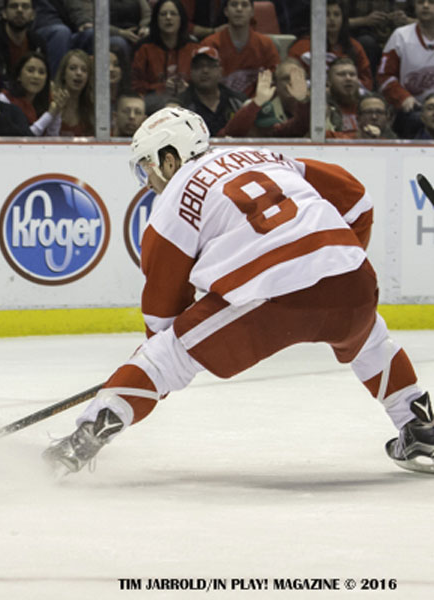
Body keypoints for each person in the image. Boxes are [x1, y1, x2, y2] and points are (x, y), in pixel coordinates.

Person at [42, 106, 434, 477]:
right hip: (351, 279)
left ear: (169, 158)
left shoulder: (173, 200)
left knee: (165, 356)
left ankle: (81, 441)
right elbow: (357, 198)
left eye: (147, 166)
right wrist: (332, 265)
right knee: (371, 340)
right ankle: (420, 428)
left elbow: (162, 311)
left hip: (267, 297)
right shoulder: (264, 156)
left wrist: (152, 368)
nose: (148, 181)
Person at [288, 0, 374, 93]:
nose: (332, 19)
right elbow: (291, 79)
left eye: (336, 14)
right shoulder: (301, 47)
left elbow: (366, 81)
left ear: (343, 19)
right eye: (327, 14)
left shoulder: (354, 46)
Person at [378, 0, 434, 138]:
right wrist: (403, 97)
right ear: (414, 6)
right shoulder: (401, 36)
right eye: (420, 2)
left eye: (431, 2)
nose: (425, 6)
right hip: (412, 108)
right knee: (415, 119)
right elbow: (384, 76)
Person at [201, 0, 280, 97]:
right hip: (218, 103)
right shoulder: (210, 44)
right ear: (226, 11)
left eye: (244, 5)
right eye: (234, 5)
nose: (239, 9)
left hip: (258, 103)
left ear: (252, 12)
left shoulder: (266, 44)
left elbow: (275, 82)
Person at [218, 59, 309, 137]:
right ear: (275, 82)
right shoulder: (256, 107)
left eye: (298, 79)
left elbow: (299, 127)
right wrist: (257, 102)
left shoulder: (274, 131)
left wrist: (303, 101)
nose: (292, 82)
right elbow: (231, 132)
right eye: (286, 78)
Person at [131, 0, 198, 100]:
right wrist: (161, 87)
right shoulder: (143, 48)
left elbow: (202, 83)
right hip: (153, 101)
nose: (168, 17)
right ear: (156, 19)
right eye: (163, 14)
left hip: (187, 100)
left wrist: (188, 89)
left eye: (173, 14)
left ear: (181, 18)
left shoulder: (194, 48)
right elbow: (135, 84)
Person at [177, 45, 246, 136]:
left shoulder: (237, 101)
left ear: (220, 71)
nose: (205, 70)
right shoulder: (181, 105)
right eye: (199, 66)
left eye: (210, 66)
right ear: (191, 72)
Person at [0, 50, 67, 135]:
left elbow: (52, 138)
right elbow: (24, 138)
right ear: (19, 76)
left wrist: (57, 112)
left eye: (41, 72)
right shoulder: (3, 100)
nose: (36, 76)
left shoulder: (47, 102)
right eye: (30, 70)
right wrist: (49, 115)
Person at [0, 0, 48, 74]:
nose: (19, 10)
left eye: (25, 7)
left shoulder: (38, 43)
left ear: (33, 15)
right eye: (14, 6)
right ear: (4, 13)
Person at [54, 48, 94, 136]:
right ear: (63, 74)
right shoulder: (52, 100)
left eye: (84, 70)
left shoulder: (92, 108)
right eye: (72, 68)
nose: (79, 73)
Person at [326, 56, 363, 137]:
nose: (348, 78)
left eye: (352, 74)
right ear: (328, 81)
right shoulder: (321, 107)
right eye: (341, 74)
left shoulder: (369, 104)